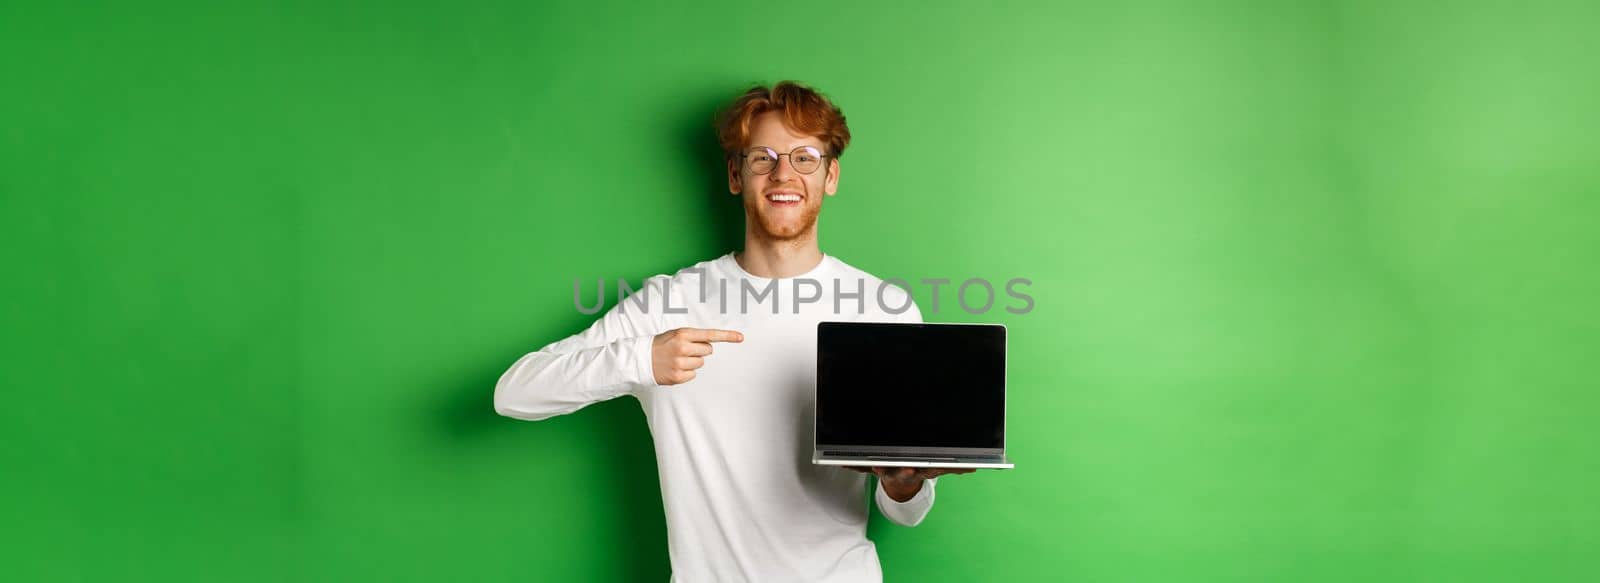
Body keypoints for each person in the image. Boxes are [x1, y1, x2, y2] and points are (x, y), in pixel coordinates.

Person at [493, 80, 972, 582]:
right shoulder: (667, 303)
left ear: (831, 175)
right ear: (735, 174)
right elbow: (515, 393)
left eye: (804, 157)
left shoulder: (884, 309)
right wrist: (640, 359)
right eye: (762, 157)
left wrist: (902, 483)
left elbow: (906, 512)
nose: (783, 173)